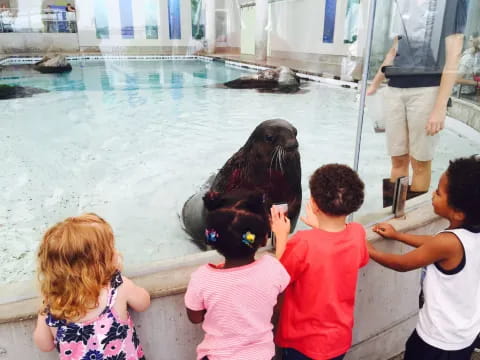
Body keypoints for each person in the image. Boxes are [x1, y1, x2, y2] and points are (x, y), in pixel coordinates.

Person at [367, 155, 480, 360]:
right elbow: (434, 244)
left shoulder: (448, 243)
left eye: (437, 193)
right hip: (464, 336)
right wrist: (398, 235)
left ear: (458, 213)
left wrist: (370, 250)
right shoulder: (464, 238)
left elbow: (402, 264)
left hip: (436, 341)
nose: (432, 196)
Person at [367, 0, 468, 207]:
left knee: (420, 162)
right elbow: (394, 49)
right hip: (395, 88)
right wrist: (374, 85)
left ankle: (412, 220)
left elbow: (453, 56)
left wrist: (439, 108)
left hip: (427, 90)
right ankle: (394, 214)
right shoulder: (404, 5)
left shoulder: (449, 4)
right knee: (397, 159)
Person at [271, 164, 369, 360]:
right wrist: (321, 228)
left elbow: (279, 276)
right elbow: (348, 250)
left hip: (302, 342)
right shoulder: (357, 233)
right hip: (338, 339)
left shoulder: (304, 243)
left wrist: (281, 236)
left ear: (314, 205)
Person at [184, 190, 290, 360]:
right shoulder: (273, 269)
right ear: (264, 239)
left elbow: (194, 317)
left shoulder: (202, 278)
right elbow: (276, 308)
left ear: (213, 239)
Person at [33, 213, 150, 360]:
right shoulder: (117, 288)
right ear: (98, 264)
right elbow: (143, 302)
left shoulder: (52, 305)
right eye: (110, 250)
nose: (116, 252)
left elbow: (44, 344)